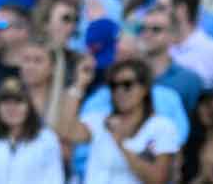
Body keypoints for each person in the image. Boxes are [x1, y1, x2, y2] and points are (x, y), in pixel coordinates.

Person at [56, 56, 180, 184]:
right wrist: (78, 84)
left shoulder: (162, 127)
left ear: (144, 89)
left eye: (127, 85)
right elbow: (66, 131)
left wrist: (120, 144)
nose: (119, 91)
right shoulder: (100, 120)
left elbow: (158, 179)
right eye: (114, 86)